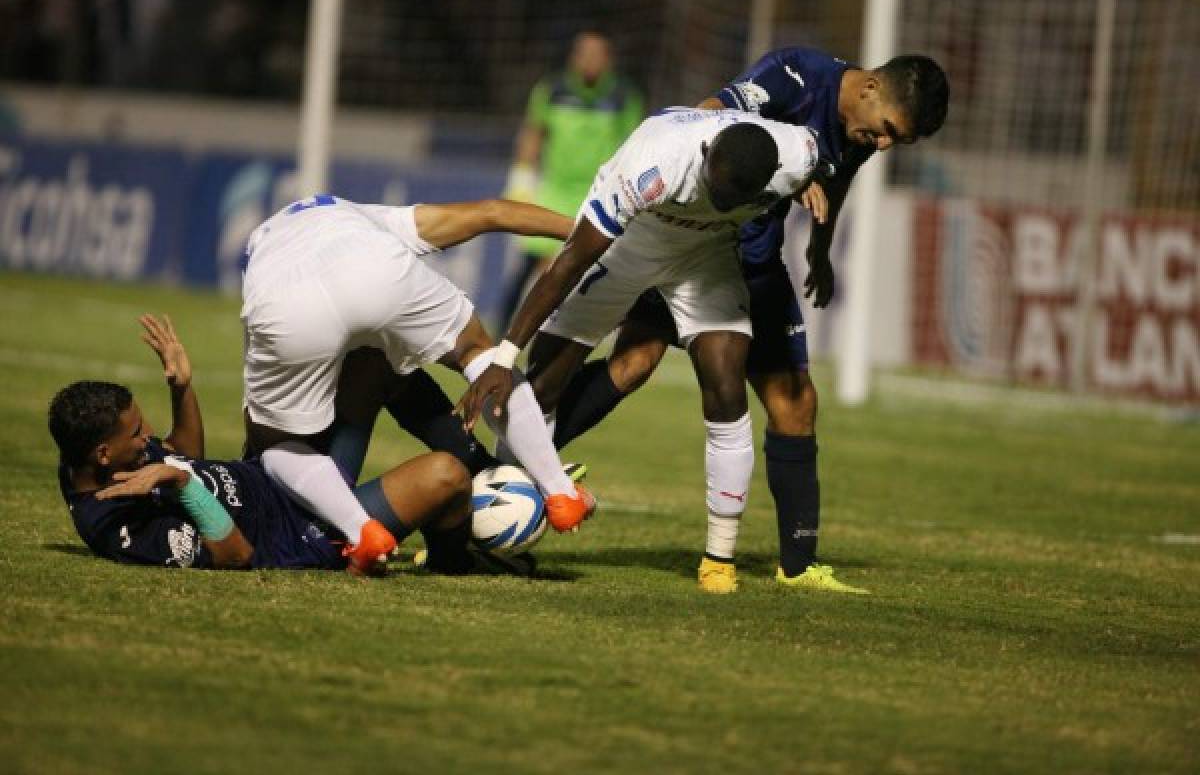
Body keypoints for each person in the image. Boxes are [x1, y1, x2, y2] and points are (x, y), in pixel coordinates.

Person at [547, 50, 949, 594]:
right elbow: (710, 113)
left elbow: (837, 182)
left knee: (795, 401)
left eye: (894, 142)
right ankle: (525, 469)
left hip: (757, 261)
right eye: (887, 132)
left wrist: (821, 254)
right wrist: (780, 170)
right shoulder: (795, 76)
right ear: (871, 87)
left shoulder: (859, 130)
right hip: (701, 246)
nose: (882, 144)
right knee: (633, 363)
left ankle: (799, 565)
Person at [459, 109, 821, 594]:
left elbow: (830, 163)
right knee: (541, 383)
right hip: (628, 247)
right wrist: (505, 356)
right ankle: (481, 536)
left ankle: (719, 558)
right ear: (705, 154)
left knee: (727, 386)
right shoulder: (651, 166)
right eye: (714, 189)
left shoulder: (797, 155)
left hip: (705, 259)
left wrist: (822, 225)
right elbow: (570, 262)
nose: (716, 200)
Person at [240, 195, 597, 576]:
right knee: (476, 353)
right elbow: (493, 213)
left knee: (278, 443)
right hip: (376, 267)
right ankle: (560, 490)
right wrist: (594, 236)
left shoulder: (263, 251)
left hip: (287, 304)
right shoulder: (363, 218)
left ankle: (361, 532)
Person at [49, 315, 481, 574]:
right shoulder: (115, 527)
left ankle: (488, 464)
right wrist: (182, 485)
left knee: (371, 361)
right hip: (310, 531)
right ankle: (452, 560)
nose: (148, 439)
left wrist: (182, 389)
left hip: (277, 469)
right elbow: (236, 554)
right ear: (103, 454)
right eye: (137, 434)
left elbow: (185, 456)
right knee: (448, 476)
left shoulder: (93, 459)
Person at [497, 31, 643, 327]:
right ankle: (500, 334)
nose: (590, 60)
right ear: (573, 57)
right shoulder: (552, 90)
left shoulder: (624, 97)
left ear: (608, 60)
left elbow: (635, 144)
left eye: (597, 54)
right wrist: (522, 179)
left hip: (597, 197)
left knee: (602, 271)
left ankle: (609, 332)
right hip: (553, 191)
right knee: (526, 266)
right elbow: (533, 132)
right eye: (583, 53)